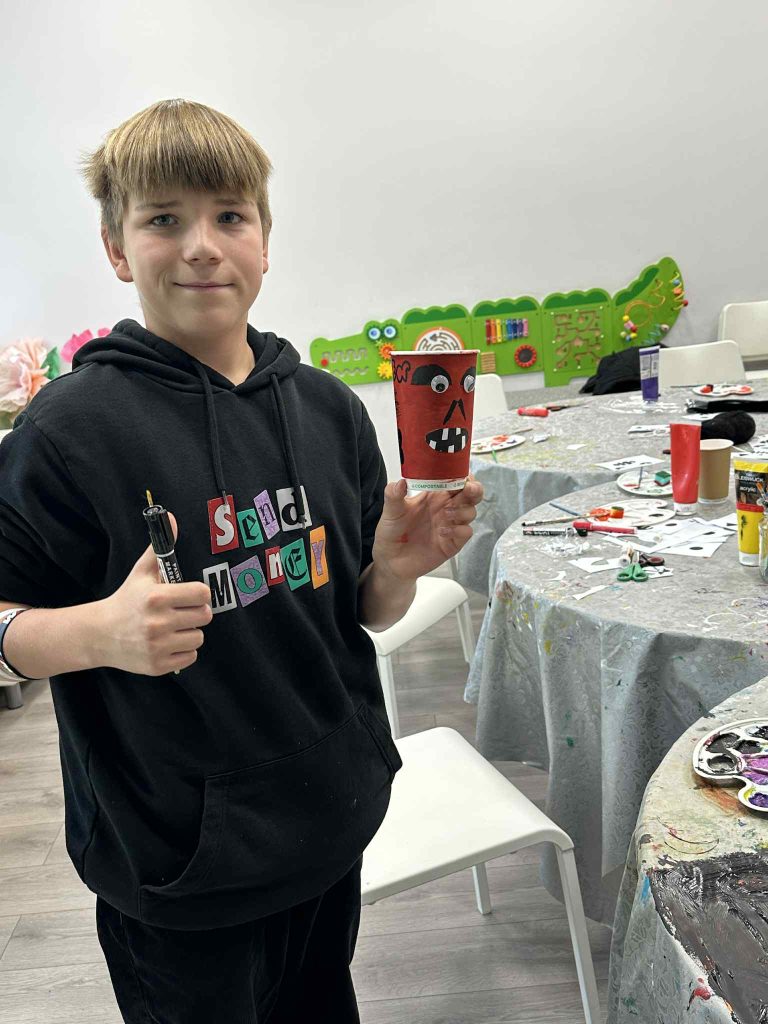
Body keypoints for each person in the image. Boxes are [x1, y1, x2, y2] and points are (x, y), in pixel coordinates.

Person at [0, 98, 483, 1023]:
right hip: (179, 872)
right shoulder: (66, 434)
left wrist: (395, 569)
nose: (201, 247)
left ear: (265, 239)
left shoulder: (331, 410)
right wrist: (97, 633)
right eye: (162, 219)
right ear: (116, 248)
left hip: (329, 828)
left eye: (229, 215)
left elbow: (363, 615)